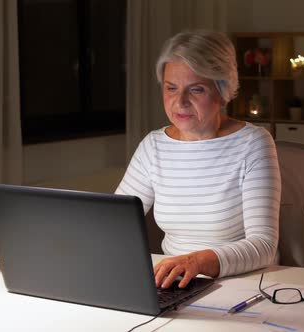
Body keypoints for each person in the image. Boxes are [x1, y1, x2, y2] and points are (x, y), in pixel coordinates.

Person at [116, 30, 280, 289]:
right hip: (173, 283)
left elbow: (264, 246)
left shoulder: (253, 143)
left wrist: (197, 262)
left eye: (197, 89)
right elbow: (116, 220)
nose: (179, 102)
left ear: (222, 92)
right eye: (171, 88)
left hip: (239, 284)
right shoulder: (153, 146)